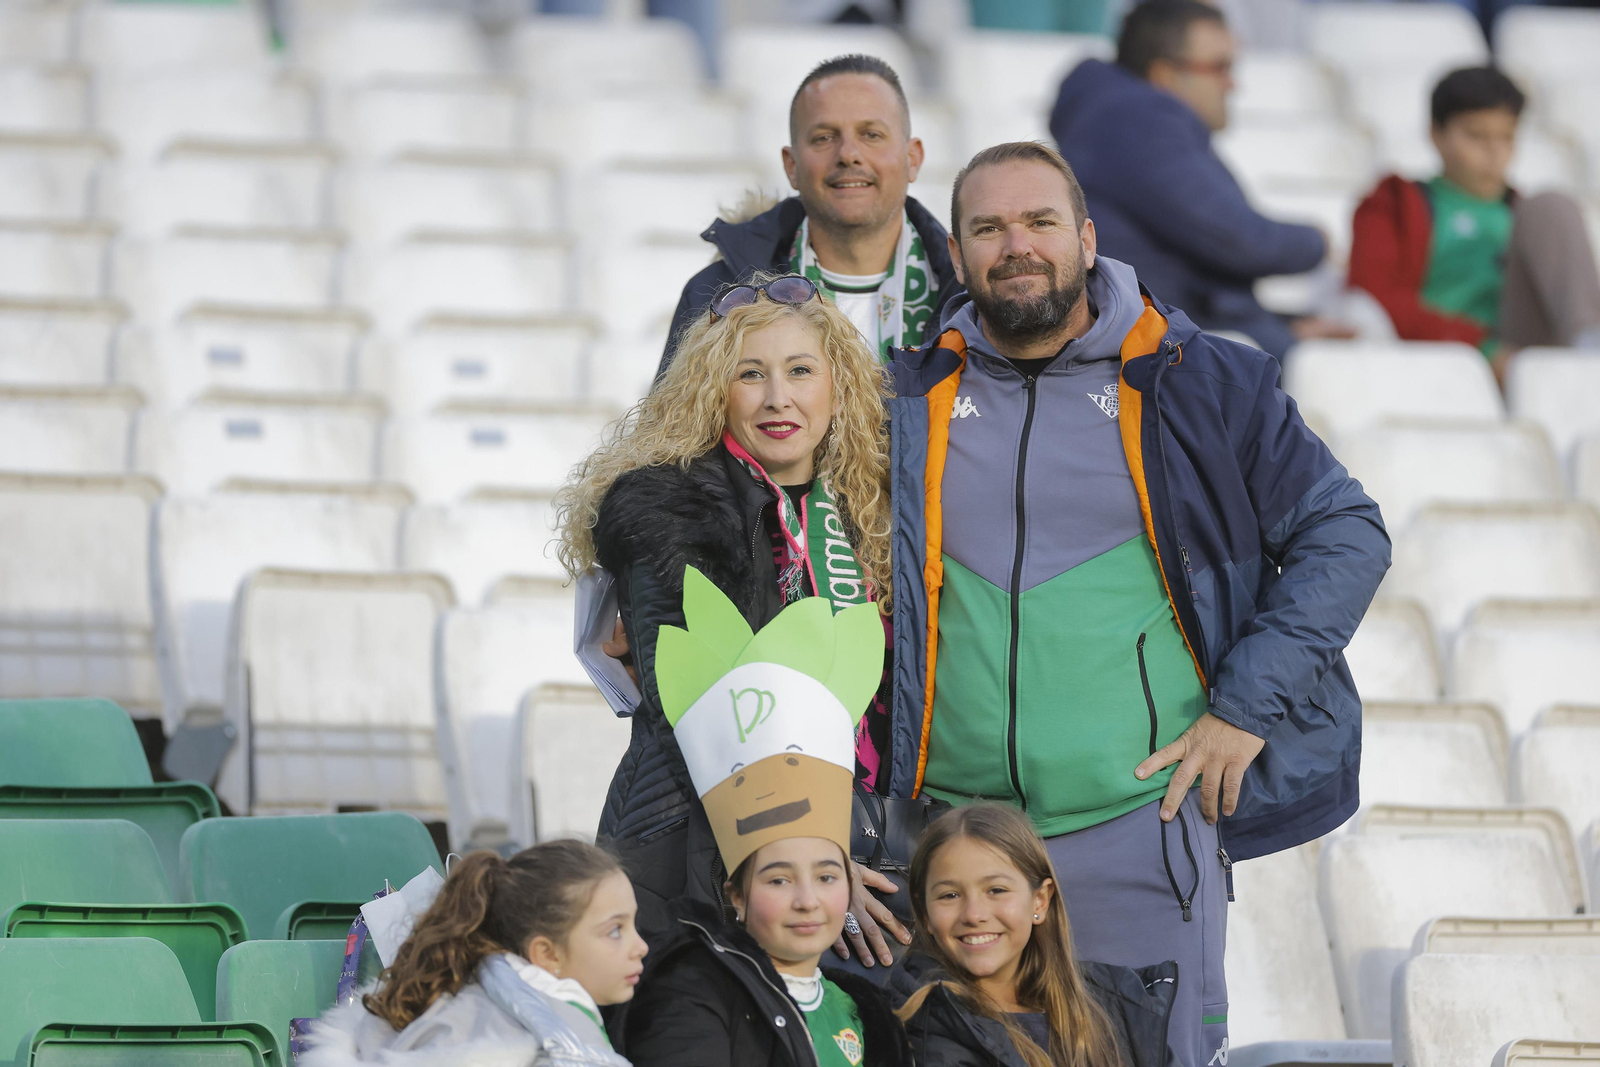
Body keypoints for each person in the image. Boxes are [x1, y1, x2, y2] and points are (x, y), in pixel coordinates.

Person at [883, 141, 1391, 1067]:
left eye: (1039, 221)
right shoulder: (902, 397)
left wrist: (1244, 708)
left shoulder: (1205, 380)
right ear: (956, 257)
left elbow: (1349, 534)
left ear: (1085, 235)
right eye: (987, 228)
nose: (1016, 246)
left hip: (1140, 836)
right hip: (954, 853)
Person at [556, 274, 913, 967]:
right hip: (695, 849)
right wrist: (815, 864)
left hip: (846, 850)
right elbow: (701, 710)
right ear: (714, 390)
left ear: (838, 386)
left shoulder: (871, 511)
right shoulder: (666, 511)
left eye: (800, 371)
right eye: (751, 375)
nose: (779, 397)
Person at [614, 567, 915, 1067]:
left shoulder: (870, 1015)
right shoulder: (688, 999)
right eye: (778, 879)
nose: (807, 901)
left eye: (826, 875)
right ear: (735, 893)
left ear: (851, 886)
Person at [1050, 0, 1352, 358]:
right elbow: (1240, 242)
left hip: (1162, 328)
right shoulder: (1138, 124)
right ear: (1165, 75)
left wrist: (1284, 323)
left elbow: (1184, 271)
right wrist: (1318, 242)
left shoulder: (1116, 116)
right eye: (1220, 67)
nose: (1233, 84)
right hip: (1153, 350)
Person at [658, 54, 961, 374]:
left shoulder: (973, 297)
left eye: (871, 134)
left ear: (912, 158)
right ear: (792, 166)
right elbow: (673, 423)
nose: (848, 154)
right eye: (824, 137)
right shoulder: (718, 296)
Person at [1349, 65, 1600, 381]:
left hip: (1529, 349)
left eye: (1506, 137)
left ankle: (1590, 351)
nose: (1493, 152)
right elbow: (1375, 299)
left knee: (1552, 205)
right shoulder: (1394, 203)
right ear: (1436, 136)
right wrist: (1483, 348)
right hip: (1442, 353)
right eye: (1476, 135)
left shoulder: (1532, 216)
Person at [301, 840, 646, 1067]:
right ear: (547, 954)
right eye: (615, 930)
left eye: (634, 924)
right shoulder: (560, 1047)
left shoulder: (453, 1004)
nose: (641, 946)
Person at [889, 803, 1177, 1067]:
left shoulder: (1119, 1004)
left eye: (996, 890)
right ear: (924, 913)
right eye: (950, 895)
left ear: (1039, 900)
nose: (974, 914)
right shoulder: (910, 1025)